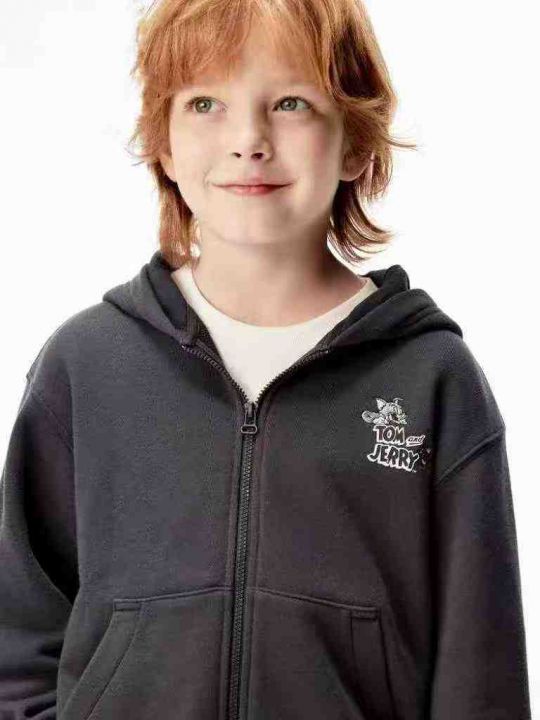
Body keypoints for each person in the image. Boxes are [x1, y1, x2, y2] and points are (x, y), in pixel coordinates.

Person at [0, 0, 532, 718]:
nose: (248, 140)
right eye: (205, 104)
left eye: (289, 103)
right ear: (163, 143)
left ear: (354, 142)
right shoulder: (86, 364)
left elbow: (481, 672)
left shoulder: (432, 378)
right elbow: (18, 638)